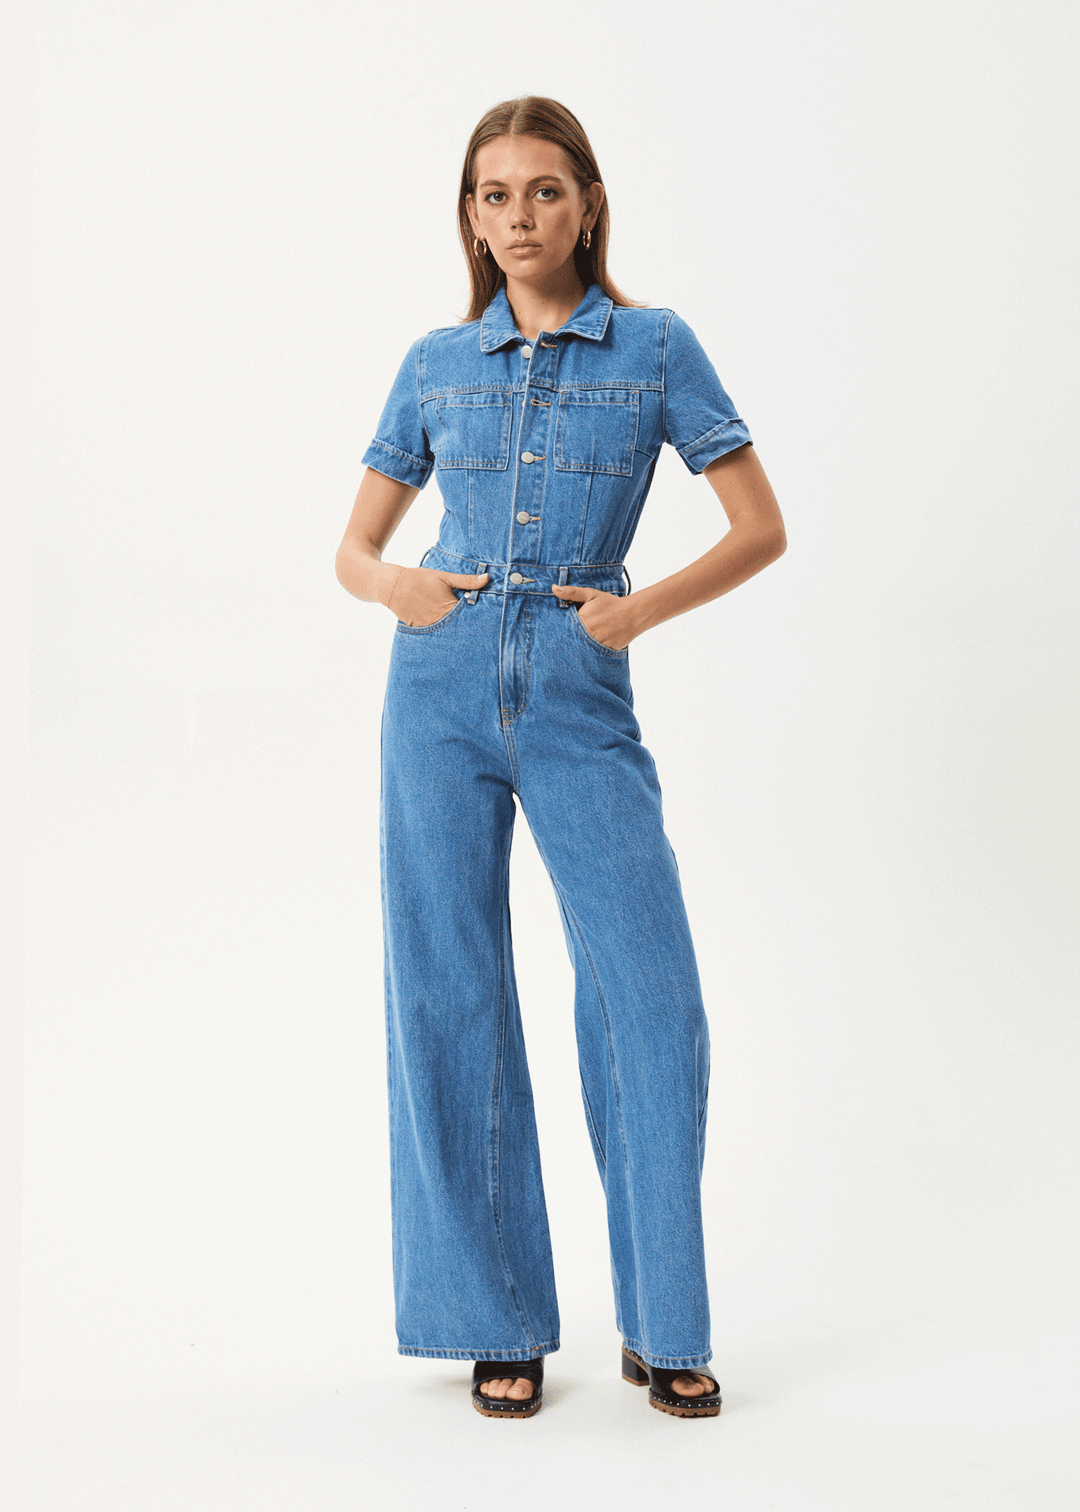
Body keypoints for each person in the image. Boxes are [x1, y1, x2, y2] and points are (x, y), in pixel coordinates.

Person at [335, 96, 786, 1420]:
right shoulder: (436, 361)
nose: (519, 216)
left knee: (649, 997)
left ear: (588, 204)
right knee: (449, 986)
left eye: (543, 190)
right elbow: (353, 548)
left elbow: (759, 525)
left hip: (582, 688)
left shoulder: (654, 347)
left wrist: (636, 613)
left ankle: (665, 1318)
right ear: (470, 217)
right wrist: (397, 589)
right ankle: (498, 1321)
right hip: (438, 688)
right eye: (494, 195)